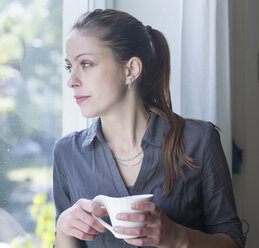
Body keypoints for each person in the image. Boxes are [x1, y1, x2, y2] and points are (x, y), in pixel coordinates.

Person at [53, 9, 244, 248]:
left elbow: (233, 242)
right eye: (69, 67)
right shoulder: (67, 153)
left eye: (86, 64)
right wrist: (64, 229)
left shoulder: (199, 141)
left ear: (131, 69)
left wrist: (176, 237)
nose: (72, 80)